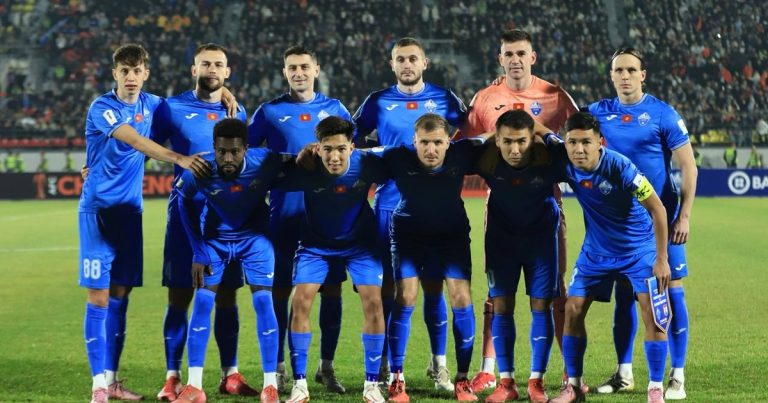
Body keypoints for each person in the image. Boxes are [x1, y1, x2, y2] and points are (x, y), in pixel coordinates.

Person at [78, 43, 210, 403]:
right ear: (115, 74)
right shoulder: (102, 107)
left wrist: (224, 91)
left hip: (130, 215)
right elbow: (135, 140)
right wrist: (179, 158)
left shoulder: (153, 104)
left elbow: (189, 102)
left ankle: (112, 380)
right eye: (124, 71)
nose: (131, 77)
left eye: (137, 71)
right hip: (98, 213)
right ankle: (98, 387)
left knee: (121, 295)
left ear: (146, 74)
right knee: (99, 296)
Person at [459, 29, 578, 394]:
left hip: (546, 205)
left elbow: (581, 140)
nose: (515, 60)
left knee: (554, 290)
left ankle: (567, 371)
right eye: (508, 54)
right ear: (500, 59)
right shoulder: (486, 98)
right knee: (497, 292)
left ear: (532, 57)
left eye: (521, 53)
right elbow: (465, 145)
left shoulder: (555, 96)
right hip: (500, 203)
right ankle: (489, 369)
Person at [353, 36, 467, 391]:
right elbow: (353, 138)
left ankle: (439, 364)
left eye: (412, 58)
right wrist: (383, 153)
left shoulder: (445, 98)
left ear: (424, 63)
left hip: (434, 207)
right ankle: (390, 365)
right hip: (389, 206)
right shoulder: (377, 101)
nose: (406, 65)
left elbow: (470, 128)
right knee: (392, 289)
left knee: (434, 287)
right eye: (400, 59)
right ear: (392, 64)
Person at [589, 47, 697, 400]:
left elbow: (688, 166)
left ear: (643, 74)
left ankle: (677, 375)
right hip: (619, 226)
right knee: (625, 297)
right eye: (618, 70)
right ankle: (624, 373)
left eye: (631, 70)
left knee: (670, 293)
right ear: (611, 76)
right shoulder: (598, 112)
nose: (625, 76)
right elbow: (568, 131)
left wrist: (684, 215)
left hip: (660, 219)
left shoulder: (663, 114)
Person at [150, 43, 257, 401]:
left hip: (227, 219)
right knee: (179, 295)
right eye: (205, 63)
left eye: (218, 64)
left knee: (227, 295)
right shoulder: (171, 107)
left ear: (228, 72)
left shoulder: (237, 110)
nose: (212, 69)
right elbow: (144, 145)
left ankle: (230, 374)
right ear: (194, 69)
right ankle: (172, 376)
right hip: (185, 215)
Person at [544, 112, 671, 403]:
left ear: (599, 142)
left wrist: (662, 258)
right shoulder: (564, 161)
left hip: (638, 249)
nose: (579, 149)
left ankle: (655, 390)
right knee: (572, 309)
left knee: (652, 315)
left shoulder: (620, 166)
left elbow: (658, 209)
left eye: (586, 142)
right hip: (596, 251)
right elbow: (540, 132)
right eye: (572, 142)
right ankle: (574, 387)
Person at [248, 45, 351, 394]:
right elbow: (247, 154)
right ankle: (278, 367)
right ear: (285, 72)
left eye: (304, 67)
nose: (299, 73)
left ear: (316, 70)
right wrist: (284, 160)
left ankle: (326, 367)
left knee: (332, 290)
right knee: (280, 291)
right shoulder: (269, 111)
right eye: (292, 67)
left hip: (328, 219)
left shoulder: (335, 109)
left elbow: (353, 152)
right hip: (284, 217)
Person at [173, 118, 284, 403]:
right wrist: (198, 250)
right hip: (215, 241)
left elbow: (297, 164)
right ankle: (194, 385)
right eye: (221, 151)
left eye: (235, 151)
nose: (227, 158)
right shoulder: (200, 167)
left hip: (255, 240)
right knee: (202, 303)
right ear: (214, 148)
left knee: (264, 302)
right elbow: (183, 201)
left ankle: (270, 385)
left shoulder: (266, 161)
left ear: (246, 148)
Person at [383, 114, 492, 403]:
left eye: (437, 143)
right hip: (409, 236)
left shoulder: (463, 152)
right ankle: (397, 379)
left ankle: (462, 379)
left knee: (461, 298)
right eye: (424, 143)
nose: (431, 150)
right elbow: (359, 155)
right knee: (406, 296)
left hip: (451, 237)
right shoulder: (397, 157)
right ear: (414, 141)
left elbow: (491, 135)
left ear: (448, 143)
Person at [282, 117, 387, 403]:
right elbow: (263, 165)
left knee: (374, 302)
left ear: (352, 147)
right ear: (317, 148)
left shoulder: (368, 163)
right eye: (327, 149)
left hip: (360, 246)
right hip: (315, 246)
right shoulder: (305, 166)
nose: (334, 156)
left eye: (341, 149)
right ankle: (299, 384)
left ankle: (372, 385)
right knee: (300, 300)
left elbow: (405, 156)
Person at [473, 110, 567, 403]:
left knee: (541, 306)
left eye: (522, 141)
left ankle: (536, 383)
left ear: (532, 139)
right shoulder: (486, 159)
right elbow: (454, 150)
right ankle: (506, 383)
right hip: (501, 243)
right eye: (508, 141)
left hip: (541, 245)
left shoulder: (549, 158)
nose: (515, 149)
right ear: (497, 140)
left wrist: (541, 129)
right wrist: (491, 135)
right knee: (501, 307)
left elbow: (570, 149)